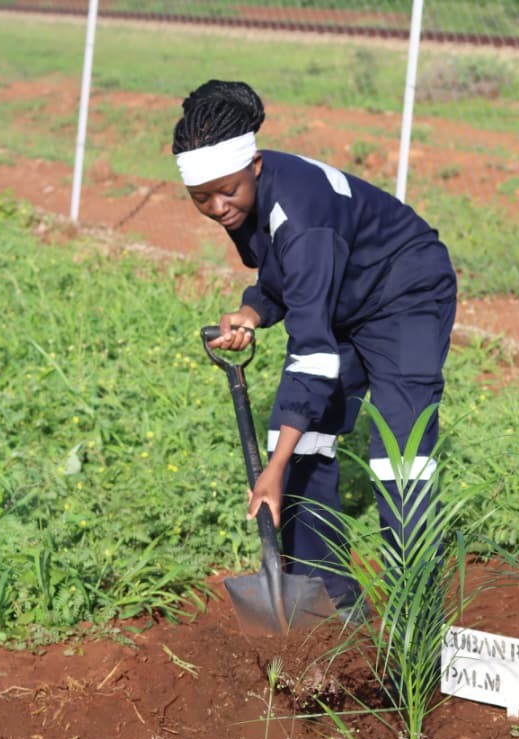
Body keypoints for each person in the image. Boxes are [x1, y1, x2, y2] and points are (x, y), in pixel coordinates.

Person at [172, 79, 456, 617]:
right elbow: (285, 278)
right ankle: (330, 602)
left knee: (402, 448)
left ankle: (416, 607)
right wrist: (253, 311)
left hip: (405, 291)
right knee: (297, 436)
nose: (218, 207)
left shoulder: (300, 217)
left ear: (254, 166)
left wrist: (271, 470)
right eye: (201, 199)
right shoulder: (248, 195)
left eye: (226, 191)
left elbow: (314, 350)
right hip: (342, 295)